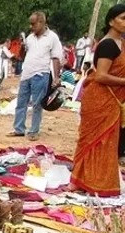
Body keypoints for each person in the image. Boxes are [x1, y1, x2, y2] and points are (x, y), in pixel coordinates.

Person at [71, 4, 125, 197]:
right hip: (99, 99)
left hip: (112, 101)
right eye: (123, 18)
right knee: (94, 140)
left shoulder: (121, 43)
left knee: (108, 141)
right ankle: (82, 181)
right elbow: (101, 76)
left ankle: (98, 181)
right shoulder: (108, 44)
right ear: (111, 21)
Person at [8, 11, 62, 141]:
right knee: (21, 103)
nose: (31, 27)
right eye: (30, 24)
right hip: (26, 73)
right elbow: (22, 56)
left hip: (41, 74)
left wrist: (56, 77)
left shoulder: (52, 37)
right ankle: (19, 129)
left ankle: (34, 130)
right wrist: (21, 47)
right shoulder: (30, 38)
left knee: (37, 104)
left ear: (42, 22)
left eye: (33, 24)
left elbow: (56, 58)